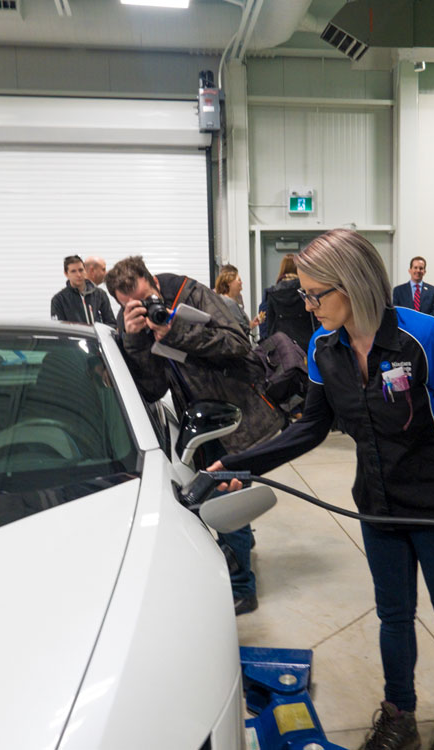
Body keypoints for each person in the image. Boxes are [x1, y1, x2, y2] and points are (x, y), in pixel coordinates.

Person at [208, 229, 434, 750]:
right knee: (392, 614)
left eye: (317, 295)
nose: (309, 305)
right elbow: (310, 428)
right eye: (305, 294)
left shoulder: (424, 337)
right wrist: (238, 462)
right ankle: (399, 712)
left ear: (355, 285)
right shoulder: (324, 347)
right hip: (377, 504)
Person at [106, 255, 283, 615]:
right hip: (203, 420)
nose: (147, 308)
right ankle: (240, 559)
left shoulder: (192, 294)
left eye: (147, 297)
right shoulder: (133, 326)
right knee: (223, 495)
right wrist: (136, 341)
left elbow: (237, 343)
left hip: (237, 411)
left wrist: (176, 331)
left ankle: (241, 589)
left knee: (222, 494)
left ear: (154, 280)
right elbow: (153, 389)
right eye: (134, 306)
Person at [258, 254, 318, 353]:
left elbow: (266, 327)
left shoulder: (271, 294)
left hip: (281, 350)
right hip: (308, 348)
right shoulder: (306, 292)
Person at [50, 255, 115, 325]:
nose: (78, 275)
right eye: (73, 271)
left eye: (81, 270)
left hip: (97, 336)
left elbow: (111, 323)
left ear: (85, 271)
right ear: (66, 274)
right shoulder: (59, 300)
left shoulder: (100, 294)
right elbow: (59, 328)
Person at [213, 265, 252, 335]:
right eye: (239, 280)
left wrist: (252, 324)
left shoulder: (238, 298)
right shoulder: (228, 303)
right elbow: (241, 328)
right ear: (229, 282)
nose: (241, 283)